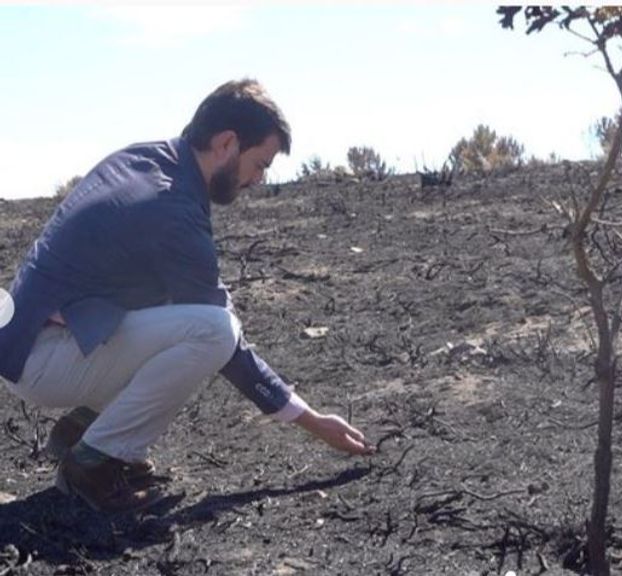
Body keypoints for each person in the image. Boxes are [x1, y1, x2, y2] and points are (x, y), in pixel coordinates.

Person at [0, 79, 374, 513]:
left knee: (181, 316)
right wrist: (312, 422)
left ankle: (83, 430)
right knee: (212, 332)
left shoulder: (146, 160)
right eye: (260, 163)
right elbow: (226, 341)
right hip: (41, 360)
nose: (259, 178)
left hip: (32, 344)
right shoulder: (171, 207)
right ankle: (93, 462)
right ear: (227, 143)